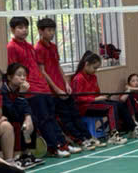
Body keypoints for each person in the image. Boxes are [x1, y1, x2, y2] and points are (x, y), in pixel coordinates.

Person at [6, 17, 74, 159]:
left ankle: (63, 144)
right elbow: (13, 70)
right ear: (12, 30)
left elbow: (37, 68)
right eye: (20, 27)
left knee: (52, 117)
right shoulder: (11, 47)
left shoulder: (29, 46)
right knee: (44, 119)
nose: (24, 30)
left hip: (43, 87)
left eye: (26, 27)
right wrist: (23, 85)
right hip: (32, 90)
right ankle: (54, 147)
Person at [34, 17, 98, 149]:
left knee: (75, 114)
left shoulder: (53, 47)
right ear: (40, 31)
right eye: (49, 30)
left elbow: (58, 66)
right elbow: (42, 72)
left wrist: (66, 84)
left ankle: (87, 137)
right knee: (66, 118)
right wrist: (56, 89)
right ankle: (80, 140)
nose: (52, 33)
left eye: (53, 30)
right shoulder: (38, 48)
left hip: (63, 88)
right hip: (53, 92)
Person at [70, 52, 130, 145]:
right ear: (86, 64)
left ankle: (131, 128)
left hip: (95, 104)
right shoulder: (78, 78)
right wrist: (95, 99)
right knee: (111, 107)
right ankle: (113, 135)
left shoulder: (93, 77)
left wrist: (104, 97)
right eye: (94, 68)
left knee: (118, 104)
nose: (96, 70)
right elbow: (77, 99)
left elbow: (97, 93)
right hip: (84, 108)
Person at [0, 64, 39, 167]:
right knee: (18, 123)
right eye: (19, 75)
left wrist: (28, 117)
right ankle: (16, 156)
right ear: (9, 77)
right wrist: (21, 95)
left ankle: (26, 154)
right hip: (6, 118)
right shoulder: (3, 90)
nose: (23, 78)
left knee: (33, 120)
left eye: (24, 75)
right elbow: (12, 113)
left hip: (16, 115)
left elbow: (25, 106)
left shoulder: (19, 88)